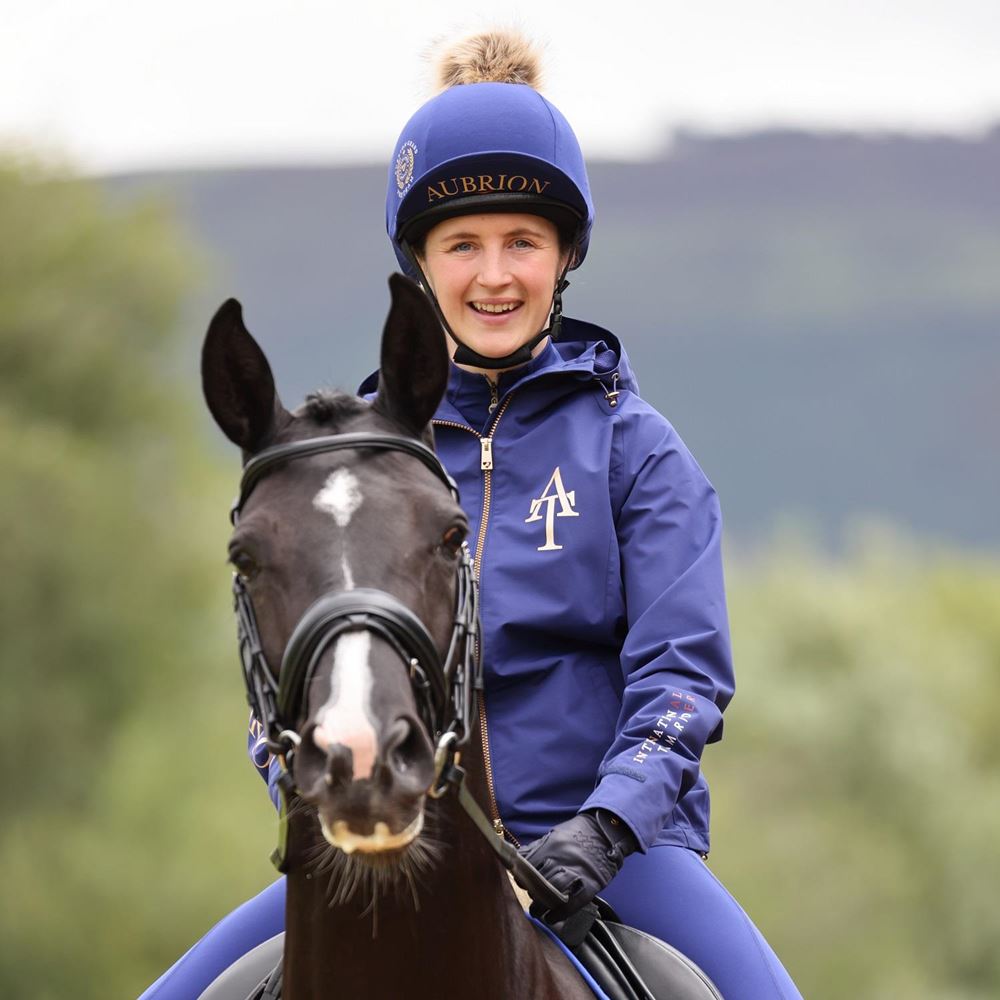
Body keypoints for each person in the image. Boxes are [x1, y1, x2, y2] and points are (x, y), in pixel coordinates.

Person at [141, 29, 802, 1000]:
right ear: (421, 262)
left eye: (521, 242)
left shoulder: (637, 450)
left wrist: (607, 826)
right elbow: (281, 668)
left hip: (615, 857)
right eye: (462, 245)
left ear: (564, 255)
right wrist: (316, 783)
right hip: (385, 831)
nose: (494, 275)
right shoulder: (355, 471)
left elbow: (682, 678)